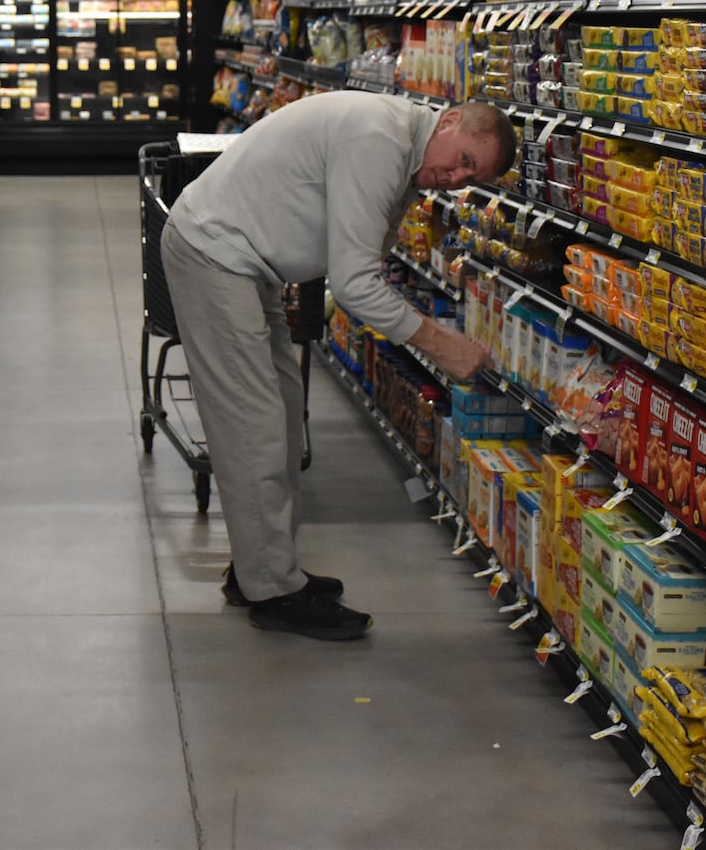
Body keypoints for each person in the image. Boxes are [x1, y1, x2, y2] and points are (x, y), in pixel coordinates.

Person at [160, 92, 516, 641]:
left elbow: (357, 256)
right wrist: (442, 343)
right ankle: (274, 592)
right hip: (215, 254)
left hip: (247, 264)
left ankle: (260, 568)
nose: (456, 178)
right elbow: (355, 286)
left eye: (473, 177)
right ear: (448, 122)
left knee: (282, 416)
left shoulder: (404, 156)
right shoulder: (379, 140)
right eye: (465, 158)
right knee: (253, 426)